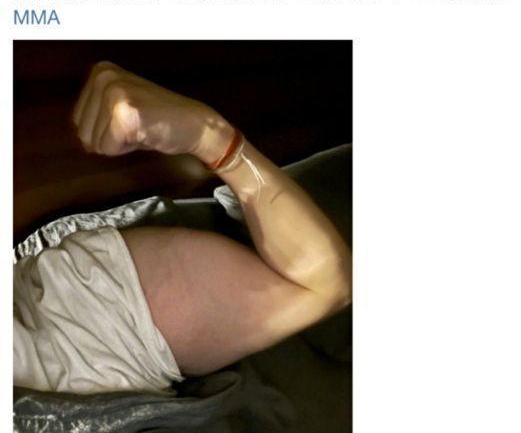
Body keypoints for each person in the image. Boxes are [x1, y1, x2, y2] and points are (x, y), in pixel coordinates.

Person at [14, 62, 352, 395]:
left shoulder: (75, 323)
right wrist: (213, 139)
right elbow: (323, 285)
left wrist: (213, 139)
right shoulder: (81, 329)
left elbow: (324, 287)